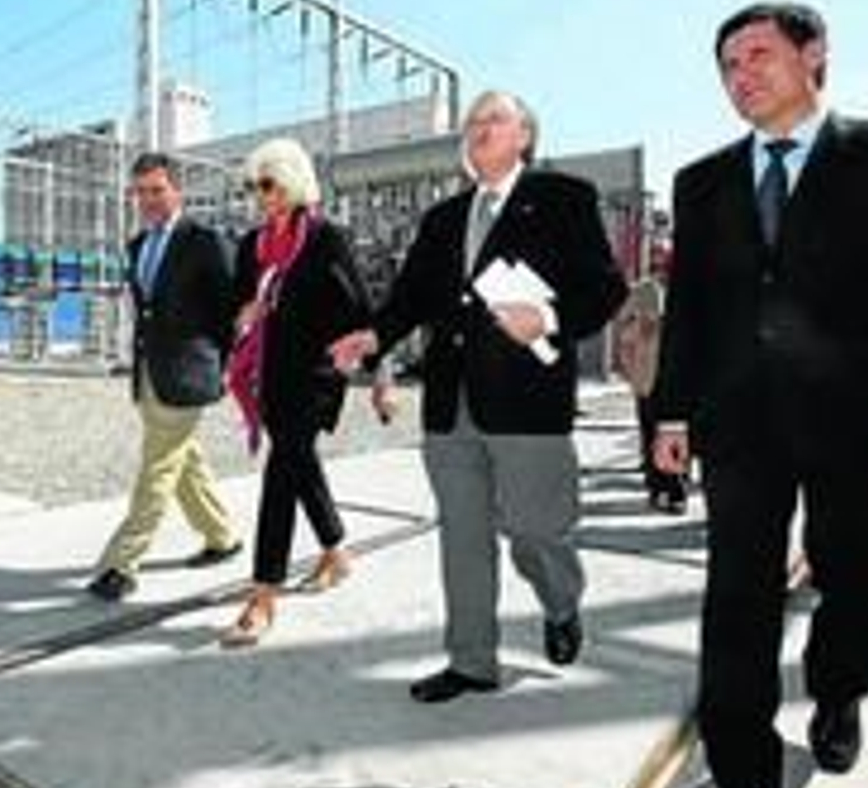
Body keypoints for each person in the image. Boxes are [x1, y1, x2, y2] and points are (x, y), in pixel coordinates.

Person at [650, 1, 868, 788]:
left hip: (866, 430)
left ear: (815, 57)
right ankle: (744, 774)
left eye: (758, 54)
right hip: (742, 429)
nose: (741, 75)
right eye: (727, 65)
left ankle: (839, 694)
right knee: (736, 603)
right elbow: (687, 311)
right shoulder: (703, 183)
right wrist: (671, 412)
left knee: (858, 584)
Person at [331, 90, 627, 699]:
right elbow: (410, 296)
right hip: (450, 404)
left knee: (535, 529)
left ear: (525, 134)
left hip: (527, 402)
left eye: (492, 120)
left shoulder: (563, 200)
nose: (477, 131)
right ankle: (471, 661)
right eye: (471, 123)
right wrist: (374, 336)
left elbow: (605, 290)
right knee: (462, 536)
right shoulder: (443, 218)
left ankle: (561, 602)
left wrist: (545, 318)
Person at [220, 136, 373, 647]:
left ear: (291, 180)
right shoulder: (253, 246)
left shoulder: (326, 239)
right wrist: (245, 314)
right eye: (253, 186)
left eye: (267, 183)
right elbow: (238, 306)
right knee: (300, 463)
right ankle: (335, 552)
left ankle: (263, 593)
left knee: (282, 472)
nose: (260, 195)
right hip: (269, 376)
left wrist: (382, 376)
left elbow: (359, 310)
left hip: (314, 377)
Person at [87, 152, 243, 602]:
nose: (148, 200)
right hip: (151, 373)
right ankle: (222, 536)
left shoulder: (204, 241)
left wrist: (218, 361)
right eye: (140, 192)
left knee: (157, 467)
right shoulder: (137, 246)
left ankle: (122, 563)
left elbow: (232, 309)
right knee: (182, 460)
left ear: (177, 190)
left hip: (187, 374)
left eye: (157, 190)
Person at [613, 275, 688, 512]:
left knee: (677, 431)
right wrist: (640, 328)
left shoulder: (693, 288)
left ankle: (675, 491)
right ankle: (658, 487)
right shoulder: (643, 291)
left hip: (677, 378)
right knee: (650, 431)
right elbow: (623, 334)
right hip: (648, 377)